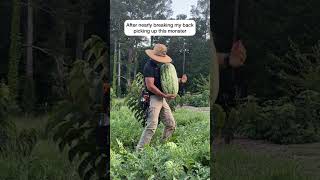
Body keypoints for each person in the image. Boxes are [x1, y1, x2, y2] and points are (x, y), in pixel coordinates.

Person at [136, 43, 187, 151]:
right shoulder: (149, 66)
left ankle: (163, 146)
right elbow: (150, 86)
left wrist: (180, 81)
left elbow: (164, 81)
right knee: (152, 126)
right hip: (152, 98)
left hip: (160, 98)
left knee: (171, 124)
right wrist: (164, 95)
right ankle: (139, 152)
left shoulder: (158, 66)